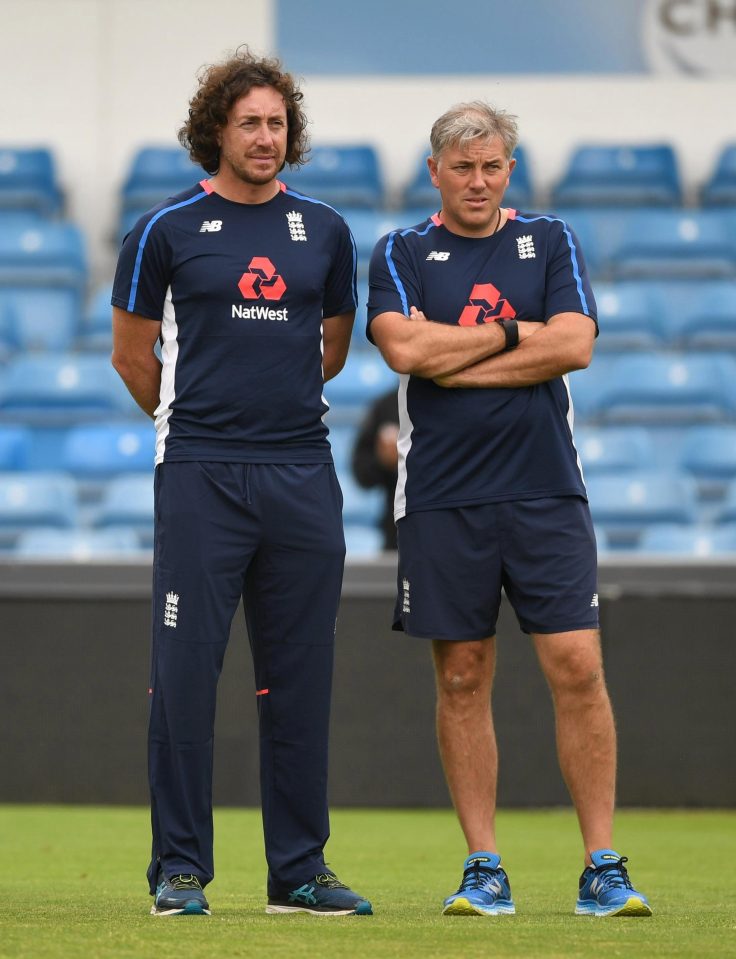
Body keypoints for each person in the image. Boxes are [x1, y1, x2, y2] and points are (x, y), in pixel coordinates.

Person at [366, 101, 652, 919]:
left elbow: (574, 345)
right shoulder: (399, 251)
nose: (479, 181)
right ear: (435, 172)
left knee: (578, 666)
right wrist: (509, 336)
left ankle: (603, 862)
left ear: (510, 170)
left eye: (492, 166)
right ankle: (483, 865)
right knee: (462, 676)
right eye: (463, 167)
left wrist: (459, 351)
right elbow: (406, 351)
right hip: (443, 497)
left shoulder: (550, 238)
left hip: (545, 490)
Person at [111, 47, 372, 918]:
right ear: (215, 130)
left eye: (277, 122)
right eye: (250, 122)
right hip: (200, 476)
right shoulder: (163, 231)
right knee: (184, 674)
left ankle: (299, 870)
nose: (266, 136)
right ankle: (179, 868)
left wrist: (273, 414)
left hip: (303, 473)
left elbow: (331, 347)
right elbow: (131, 354)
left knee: (299, 677)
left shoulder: (326, 231)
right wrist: (199, 423)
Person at [351, 389, 400, 549]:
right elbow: (362, 472)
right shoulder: (387, 406)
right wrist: (383, 461)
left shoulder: (454, 401)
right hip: (397, 530)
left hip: (448, 524)